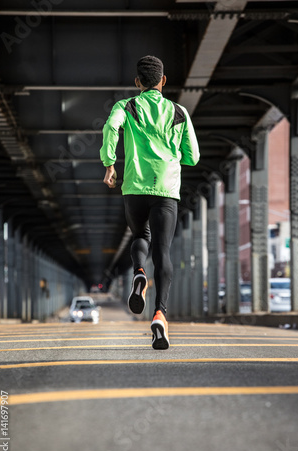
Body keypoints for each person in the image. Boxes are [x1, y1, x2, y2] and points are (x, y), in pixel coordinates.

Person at [100, 55, 199, 350]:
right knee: (163, 250)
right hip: (166, 189)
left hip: (134, 187)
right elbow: (193, 156)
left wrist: (109, 164)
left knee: (140, 236)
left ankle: (139, 274)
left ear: (137, 83)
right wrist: (171, 155)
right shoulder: (179, 111)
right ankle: (160, 314)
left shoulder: (126, 106)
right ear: (163, 82)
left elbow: (110, 129)